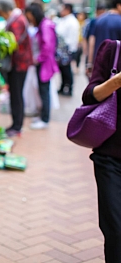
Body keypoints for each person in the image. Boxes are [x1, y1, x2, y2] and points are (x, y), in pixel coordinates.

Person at [82, 39, 121, 262]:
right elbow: (89, 95)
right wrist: (115, 82)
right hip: (111, 158)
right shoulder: (112, 49)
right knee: (116, 231)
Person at [0, 0, 33, 137]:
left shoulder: (17, 20)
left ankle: (17, 126)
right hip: (17, 64)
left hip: (19, 64)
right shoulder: (16, 19)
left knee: (16, 95)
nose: (0, 15)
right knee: (16, 94)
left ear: (5, 10)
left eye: (0, 12)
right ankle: (16, 124)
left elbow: (12, 42)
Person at [25, 3, 58, 130]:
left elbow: (47, 46)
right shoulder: (43, 25)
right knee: (42, 90)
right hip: (42, 64)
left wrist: (38, 59)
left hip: (44, 65)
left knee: (44, 91)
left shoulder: (45, 26)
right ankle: (42, 116)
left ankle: (45, 119)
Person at [86, 0, 121, 77]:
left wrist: (90, 62)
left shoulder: (99, 20)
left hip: (99, 64)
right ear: (119, 6)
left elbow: (92, 41)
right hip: (116, 68)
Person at [55, 3, 80, 96]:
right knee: (62, 69)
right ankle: (63, 86)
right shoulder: (63, 20)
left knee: (67, 70)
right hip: (62, 50)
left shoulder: (72, 22)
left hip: (67, 50)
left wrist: (70, 50)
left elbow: (72, 39)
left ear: (68, 10)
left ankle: (69, 88)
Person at [83, 4, 106, 78]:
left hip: (95, 54)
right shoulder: (95, 22)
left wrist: (89, 61)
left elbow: (90, 40)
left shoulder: (94, 21)